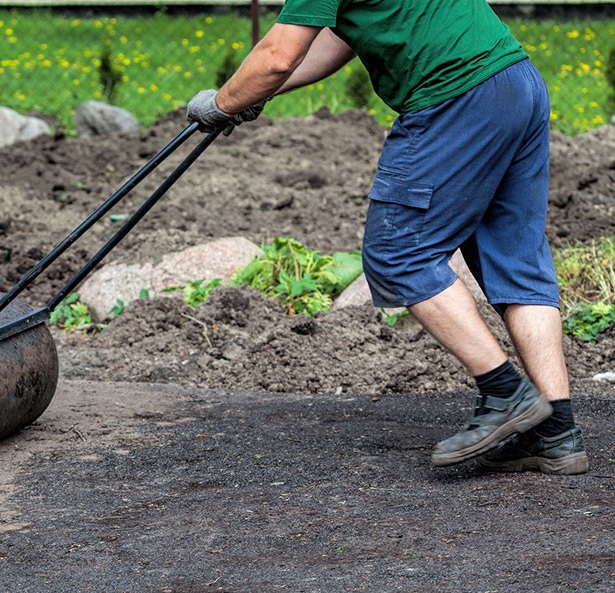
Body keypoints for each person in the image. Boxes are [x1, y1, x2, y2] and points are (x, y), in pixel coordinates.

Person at [187, 0, 588, 474]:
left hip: (454, 97)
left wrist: (222, 103)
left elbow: (278, 54)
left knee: (400, 252)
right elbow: (338, 37)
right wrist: (254, 93)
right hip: (513, 82)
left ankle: (505, 394)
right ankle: (556, 433)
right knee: (516, 260)